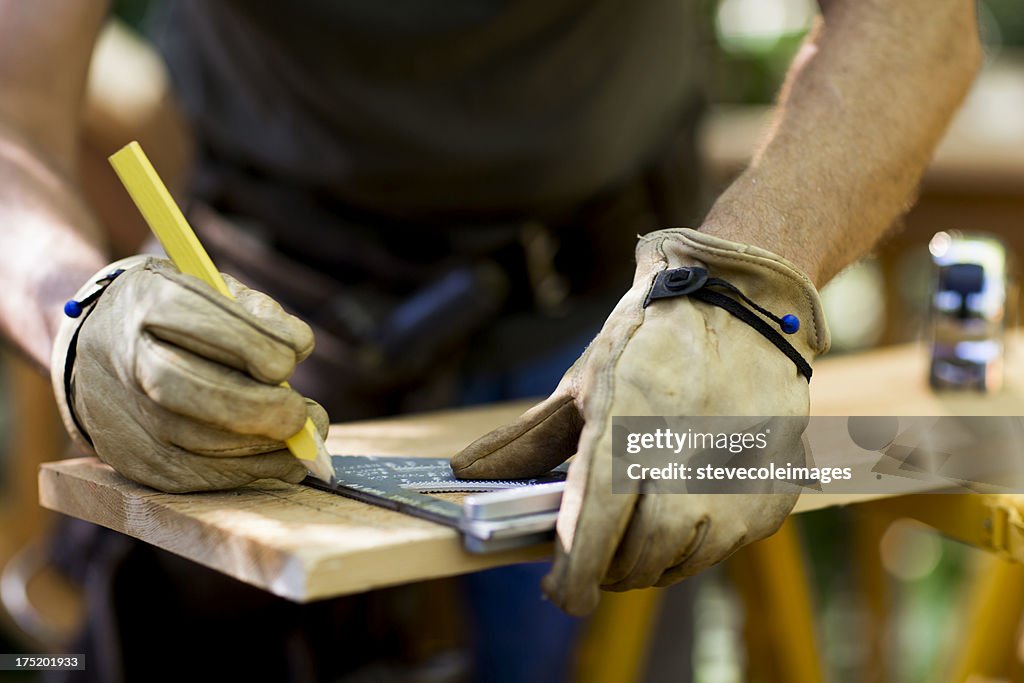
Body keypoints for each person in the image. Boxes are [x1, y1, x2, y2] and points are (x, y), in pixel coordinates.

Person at [0, 0, 979, 679]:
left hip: (625, 343)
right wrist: (74, 313)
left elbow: (917, 26)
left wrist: (742, 287)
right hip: (254, 337)